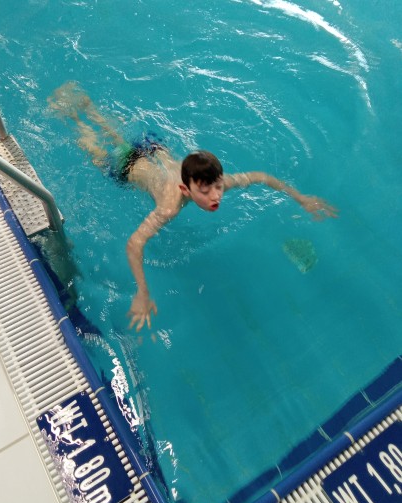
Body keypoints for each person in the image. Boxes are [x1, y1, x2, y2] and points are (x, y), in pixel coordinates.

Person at [49, 82, 338, 331]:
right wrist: (143, 291)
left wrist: (300, 198)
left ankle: (87, 105)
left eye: (218, 187)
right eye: (206, 191)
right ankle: (73, 115)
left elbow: (261, 177)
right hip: (132, 165)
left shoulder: (216, 182)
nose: (216, 197)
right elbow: (134, 244)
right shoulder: (169, 207)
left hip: (151, 150)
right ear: (185, 189)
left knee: (115, 137)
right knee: (99, 151)